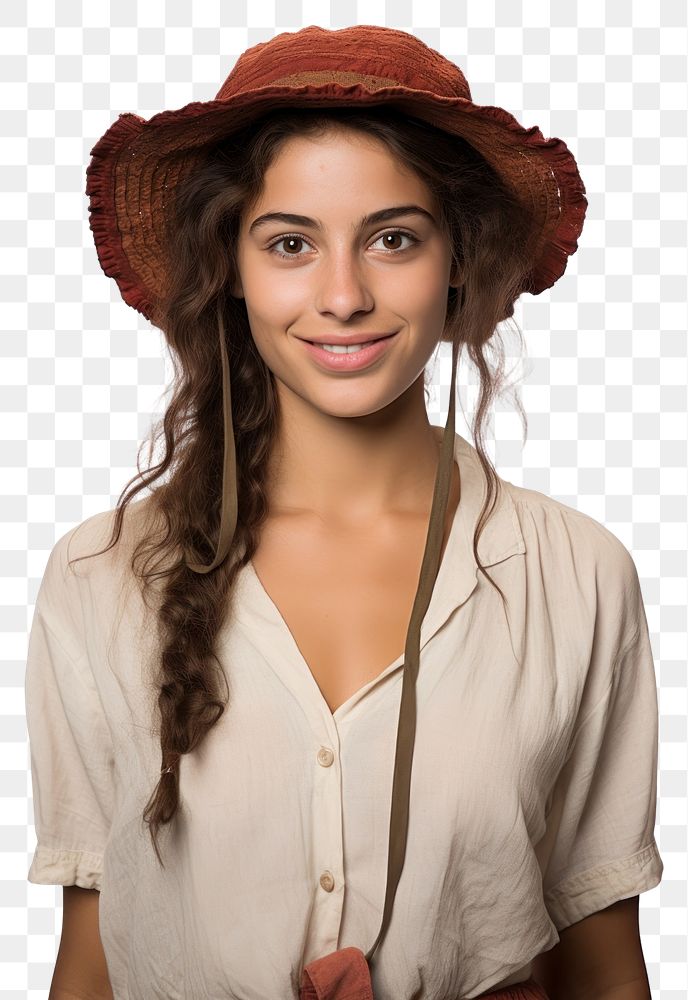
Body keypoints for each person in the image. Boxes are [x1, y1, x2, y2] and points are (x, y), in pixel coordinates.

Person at [24, 24, 663, 1000]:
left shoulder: (577, 574)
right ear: (230, 269)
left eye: (392, 238)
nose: (342, 294)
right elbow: (90, 954)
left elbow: (605, 961)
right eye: (290, 243)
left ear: (457, 260)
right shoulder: (98, 577)